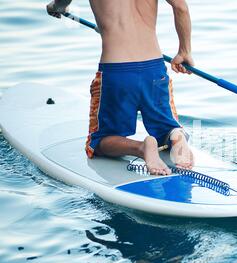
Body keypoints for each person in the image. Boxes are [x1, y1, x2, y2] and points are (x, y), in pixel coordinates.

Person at [47, 0, 195, 175]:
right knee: (167, 126)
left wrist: (56, 8)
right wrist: (184, 51)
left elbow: (62, 2)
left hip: (117, 71)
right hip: (154, 70)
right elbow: (181, 7)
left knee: (99, 141)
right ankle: (176, 135)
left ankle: (142, 148)